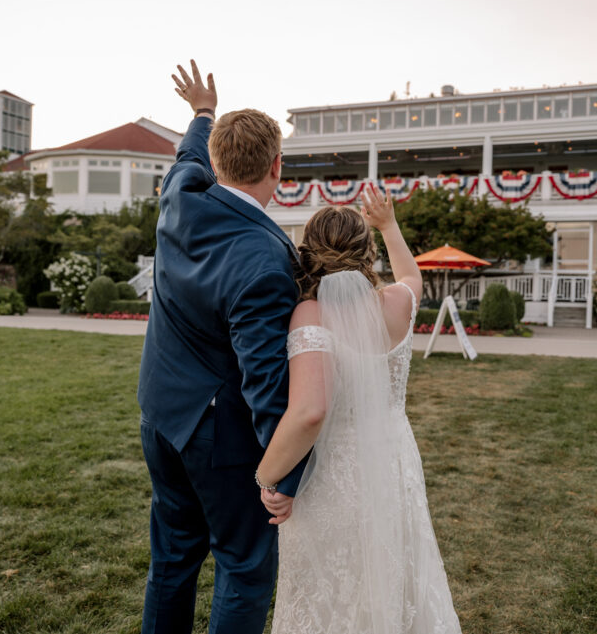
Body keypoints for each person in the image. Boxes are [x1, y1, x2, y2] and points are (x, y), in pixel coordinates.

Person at [136, 61, 306, 634]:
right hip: (219, 437)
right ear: (278, 168)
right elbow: (266, 382)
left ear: (214, 163)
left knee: (173, 558)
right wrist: (282, 476)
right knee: (245, 568)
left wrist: (202, 113)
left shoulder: (180, 197)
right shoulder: (265, 259)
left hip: (160, 416)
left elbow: (186, 158)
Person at [255, 186, 463, 634]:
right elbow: (413, 278)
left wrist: (267, 476)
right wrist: (389, 225)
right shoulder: (398, 303)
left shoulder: (309, 315)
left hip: (336, 471)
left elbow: (309, 413)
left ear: (308, 251)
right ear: (367, 251)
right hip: (393, 458)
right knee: (396, 570)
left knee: (334, 584)